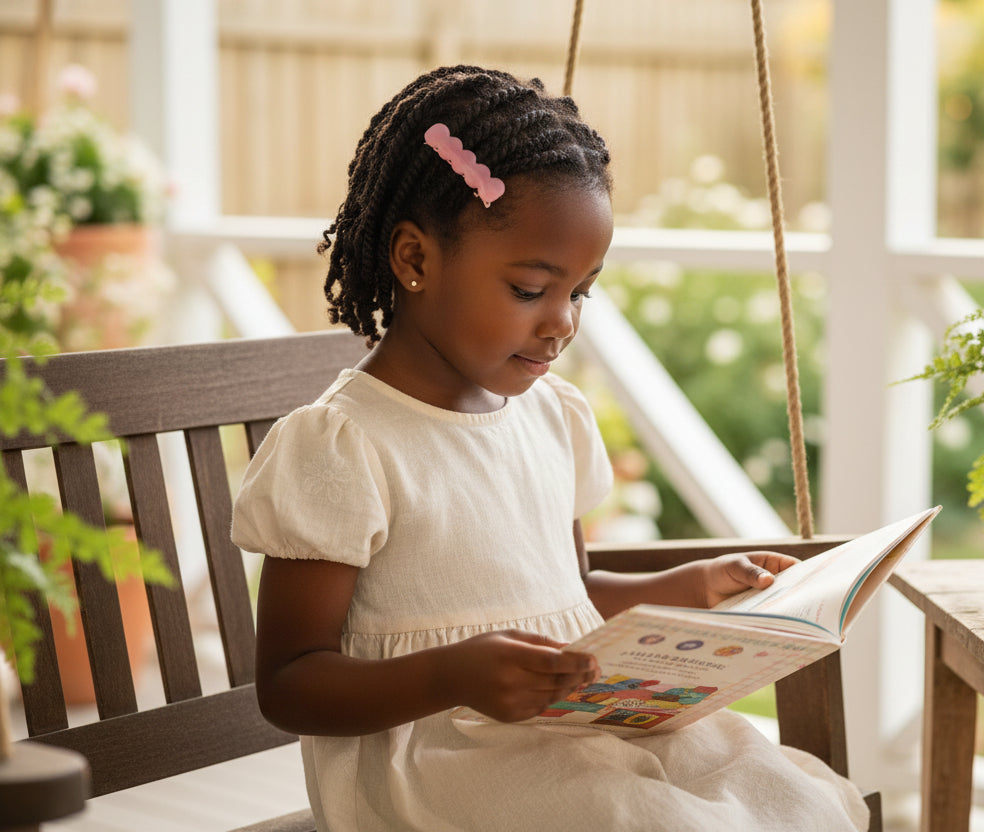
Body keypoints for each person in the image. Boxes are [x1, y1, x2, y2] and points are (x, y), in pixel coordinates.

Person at [232, 65, 869, 832]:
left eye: (580, 292)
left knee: (788, 793)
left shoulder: (551, 416)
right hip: (445, 761)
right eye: (531, 290)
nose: (562, 321)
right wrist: (451, 673)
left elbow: (567, 595)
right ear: (415, 260)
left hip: (572, 731)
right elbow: (290, 684)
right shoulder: (344, 445)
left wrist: (686, 586)